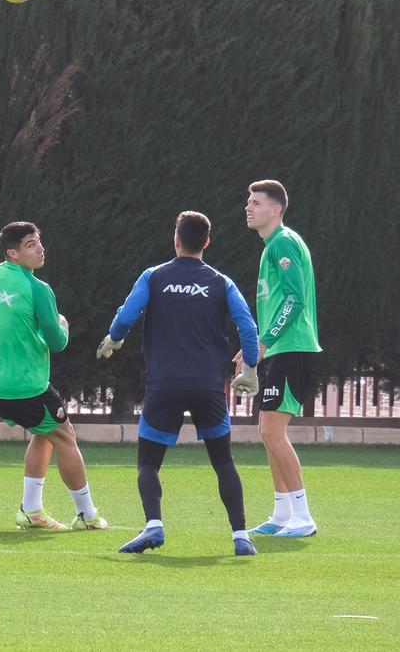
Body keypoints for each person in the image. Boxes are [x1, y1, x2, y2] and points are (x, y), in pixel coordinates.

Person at [97, 211, 260, 555]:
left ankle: (153, 525)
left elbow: (127, 315)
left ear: (176, 240)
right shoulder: (221, 282)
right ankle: (241, 536)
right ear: (207, 242)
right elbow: (247, 326)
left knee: (148, 463)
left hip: (165, 385)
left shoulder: (154, 277)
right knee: (223, 461)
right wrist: (251, 369)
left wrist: (113, 339)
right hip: (208, 387)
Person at [0, 221, 108, 531]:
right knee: (65, 436)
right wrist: (63, 325)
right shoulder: (38, 289)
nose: (40, 248)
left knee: (43, 430)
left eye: (39, 242)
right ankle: (87, 515)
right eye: (31, 244)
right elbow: (58, 343)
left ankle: (31, 510)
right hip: (25, 387)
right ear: (13, 254)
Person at [238, 180, 321, 538]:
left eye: (256, 202)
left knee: (272, 430)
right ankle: (283, 512)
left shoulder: (283, 242)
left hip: (293, 348)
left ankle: (303, 517)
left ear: (276, 209)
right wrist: (256, 342)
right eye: (248, 201)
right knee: (267, 431)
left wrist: (265, 341)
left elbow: (294, 299)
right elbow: (279, 303)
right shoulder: (273, 245)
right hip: (281, 349)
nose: (249, 207)